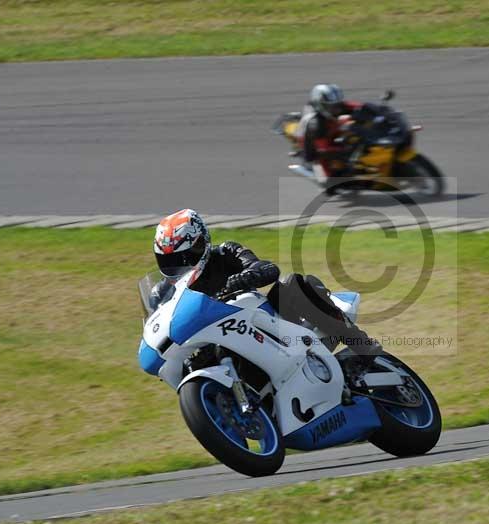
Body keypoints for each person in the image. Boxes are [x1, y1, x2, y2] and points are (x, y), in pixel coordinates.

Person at [151, 208, 381, 360]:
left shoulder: (225, 252)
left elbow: (267, 268)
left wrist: (245, 277)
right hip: (217, 342)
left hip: (263, 323)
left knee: (293, 285)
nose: (179, 266)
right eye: (169, 261)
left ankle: (361, 343)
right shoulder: (163, 292)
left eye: (185, 257)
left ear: (201, 243)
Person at [296, 84, 382, 194]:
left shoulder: (336, 107)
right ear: (320, 105)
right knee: (330, 185)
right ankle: (315, 172)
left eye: (337, 105)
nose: (336, 109)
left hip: (331, 130)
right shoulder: (316, 123)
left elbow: (361, 107)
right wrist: (346, 150)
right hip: (315, 145)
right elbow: (324, 150)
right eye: (331, 106)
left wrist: (378, 111)